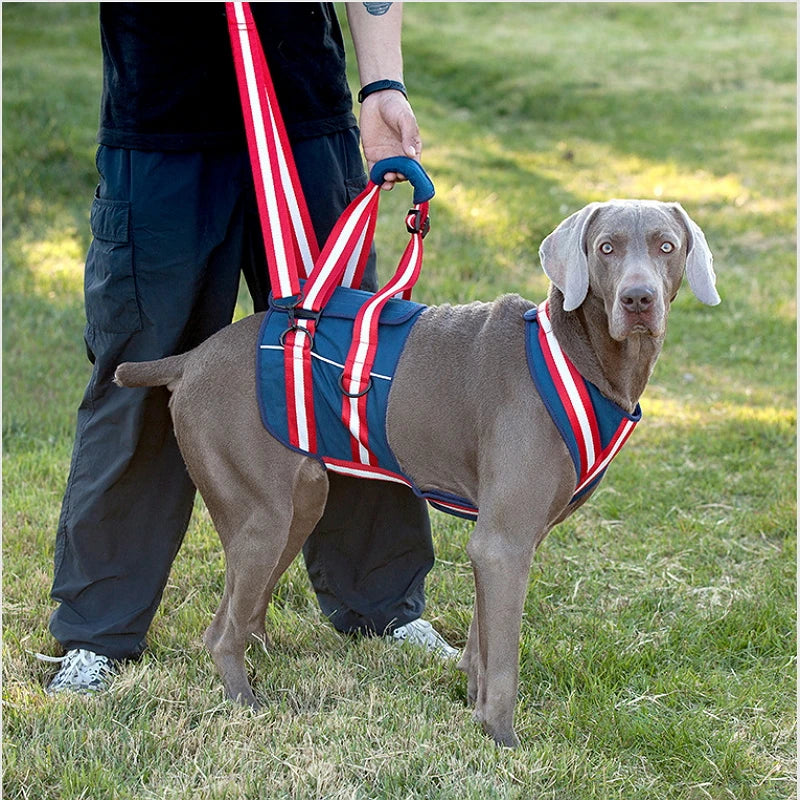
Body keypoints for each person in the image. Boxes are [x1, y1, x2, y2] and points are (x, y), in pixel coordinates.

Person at [44, 1, 457, 695]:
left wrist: (384, 84)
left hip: (304, 115)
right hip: (160, 127)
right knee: (146, 370)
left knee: (342, 368)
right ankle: (98, 631)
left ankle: (384, 604)